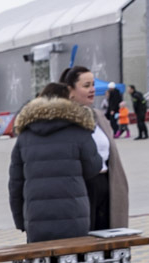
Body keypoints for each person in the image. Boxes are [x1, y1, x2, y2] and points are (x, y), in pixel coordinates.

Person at [8, 82, 108, 243]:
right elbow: (93, 168)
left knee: (42, 259)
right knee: (74, 257)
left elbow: (15, 184)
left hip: (36, 218)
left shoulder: (25, 136)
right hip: (74, 215)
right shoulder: (79, 130)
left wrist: (20, 220)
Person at [61, 65, 130, 228]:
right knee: (85, 238)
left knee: (107, 236)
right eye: (86, 86)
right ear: (70, 90)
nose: (92, 89)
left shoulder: (98, 116)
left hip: (106, 184)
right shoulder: (63, 120)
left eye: (93, 85)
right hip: (82, 188)